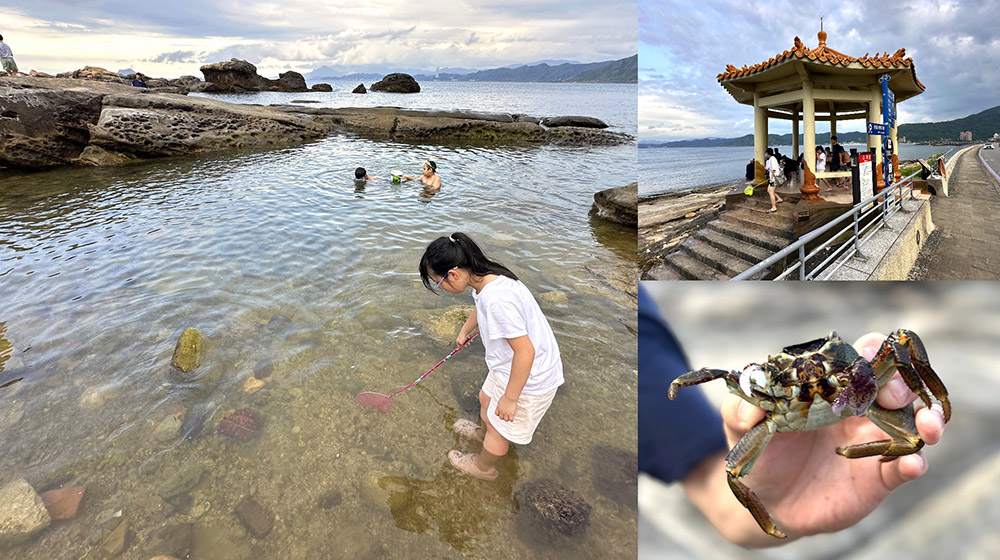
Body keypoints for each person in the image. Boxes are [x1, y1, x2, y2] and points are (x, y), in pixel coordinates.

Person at [638, 285, 947, 547]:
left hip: (853, 397)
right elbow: (726, 380)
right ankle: (768, 521)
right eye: (794, 366)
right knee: (733, 469)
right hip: (780, 415)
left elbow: (701, 473)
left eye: (823, 357)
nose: (810, 369)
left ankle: (926, 404)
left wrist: (928, 395)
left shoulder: (639, 326)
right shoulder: (640, 347)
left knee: (902, 348)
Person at [419, 233, 563, 481]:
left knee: (499, 429)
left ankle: (484, 467)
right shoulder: (487, 281)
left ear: (453, 274)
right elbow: (480, 306)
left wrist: (510, 398)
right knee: (485, 398)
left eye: (438, 281)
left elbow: (525, 352)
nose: (440, 287)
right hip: (507, 367)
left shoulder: (498, 300)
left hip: (529, 377)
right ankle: (482, 434)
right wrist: (465, 330)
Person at [765, 148, 783, 213]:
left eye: (766, 153)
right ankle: (779, 199)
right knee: (769, 190)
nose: (765, 155)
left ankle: (774, 207)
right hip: (774, 177)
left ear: (767, 153)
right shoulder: (773, 158)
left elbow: (774, 169)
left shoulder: (772, 159)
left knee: (770, 191)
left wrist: (771, 178)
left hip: (774, 178)